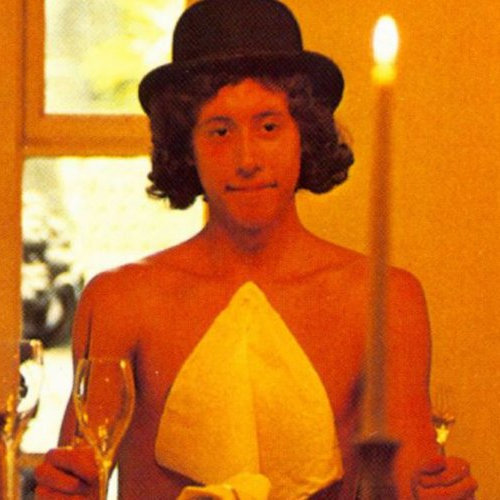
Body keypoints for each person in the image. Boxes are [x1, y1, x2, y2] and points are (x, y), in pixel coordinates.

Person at [34, 0, 477, 498]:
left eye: (268, 126)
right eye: (220, 131)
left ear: (304, 135)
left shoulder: (383, 299)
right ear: (186, 146)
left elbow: (408, 481)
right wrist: (62, 488)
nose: (246, 159)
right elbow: (79, 477)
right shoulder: (121, 300)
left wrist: (440, 491)